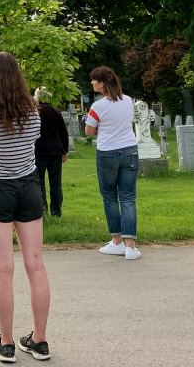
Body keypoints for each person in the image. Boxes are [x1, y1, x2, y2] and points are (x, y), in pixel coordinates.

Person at [0, 53, 51, 363]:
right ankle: (40, 340)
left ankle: (6, 342)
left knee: (2, 267)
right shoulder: (33, 112)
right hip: (29, 186)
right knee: (36, 264)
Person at [84, 66, 141, 260]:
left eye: (94, 80)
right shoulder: (128, 100)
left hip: (108, 152)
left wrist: (101, 130)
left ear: (101, 84)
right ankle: (131, 247)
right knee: (128, 197)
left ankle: (116, 242)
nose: (92, 83)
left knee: (109, 197)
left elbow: (88, 130)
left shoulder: (98, 106)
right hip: (130, 150)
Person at [33, 88, 68, 218]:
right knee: (56, 183)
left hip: (39, 151)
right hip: (55, 150)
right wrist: (64, 150)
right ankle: (56, 212)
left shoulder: (35, 111)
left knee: (39, 182)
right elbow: (63, 132)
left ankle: (43, 211)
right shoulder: (55, 110)